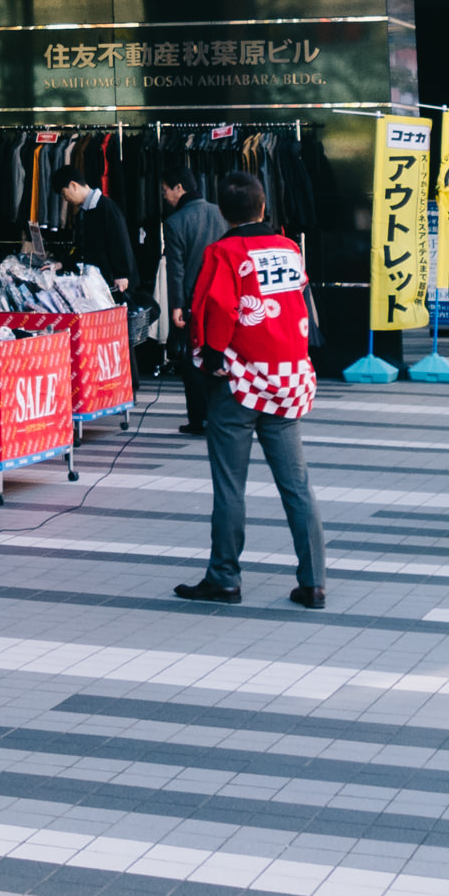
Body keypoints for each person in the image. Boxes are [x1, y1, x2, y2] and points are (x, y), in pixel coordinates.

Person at [175, 171, 326, 610]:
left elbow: (217, 307)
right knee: (296, 485)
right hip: (287, 380)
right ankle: (313, 581)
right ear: (263, 207)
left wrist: (213, 357)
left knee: (230, 485)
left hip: (239, 385)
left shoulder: (223, 252)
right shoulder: (289, 249)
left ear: (223, 213)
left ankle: (224, 577)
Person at [160, 168, 226, 436]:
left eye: (165, 190)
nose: (164, 196)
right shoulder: (221, 213)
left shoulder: (176, 222)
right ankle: (221, 416)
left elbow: (175, 268)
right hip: (223, 298)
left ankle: (198, 420)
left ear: (179, 187)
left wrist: (177, 306)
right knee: (219, 354)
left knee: (193, 362)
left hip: (193, 301)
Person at [55, 172, 132, 299]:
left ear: (73, 185)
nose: (66, 199)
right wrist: (63, 264)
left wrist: (121, 274)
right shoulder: (83, 213)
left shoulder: (106, 207)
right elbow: (82, 248)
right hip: (96, 282)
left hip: (113, 283)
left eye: (64, 194)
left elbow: (120, 241)